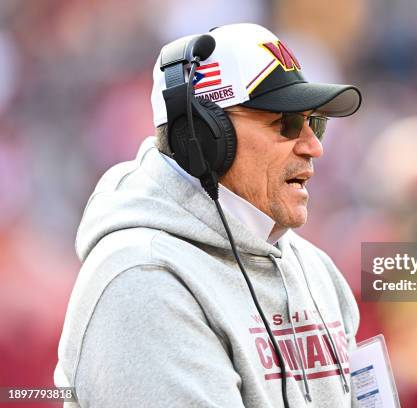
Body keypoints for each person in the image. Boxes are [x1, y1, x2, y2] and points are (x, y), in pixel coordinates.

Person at [54, 23, 362, 407]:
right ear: (203, 136)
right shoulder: (142, 280)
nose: (314, 147)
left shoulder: (316, 270)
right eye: (287, 123)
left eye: (315, 122)